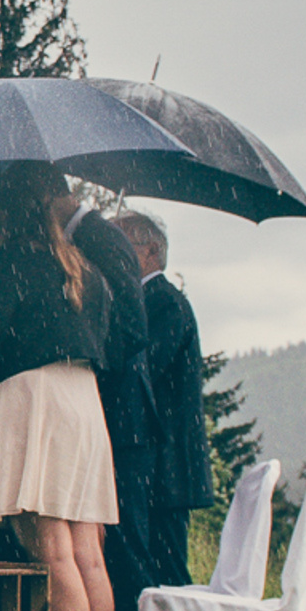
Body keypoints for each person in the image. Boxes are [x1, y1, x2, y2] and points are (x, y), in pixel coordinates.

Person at [0, 163, 117, 611]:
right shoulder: (86, 268)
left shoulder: (10, 260)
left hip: (36, 400)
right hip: (84, 399)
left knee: (53, 551)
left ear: (5, 211)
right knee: (89, 556)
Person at [71, 202, 154, 611]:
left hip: (119, 421)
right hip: (105, 418)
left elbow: (133, 328)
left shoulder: (100, 239)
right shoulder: (95, 237)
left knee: (120, 555)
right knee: (102, 554)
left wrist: (90, 351)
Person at [116, 210, 214, 589]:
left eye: (121, 247)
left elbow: (142, 370)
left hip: (167, 468)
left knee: (167, 574)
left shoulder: (165, 303)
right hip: (156, 466)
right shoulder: (149, 302)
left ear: (150, 250)